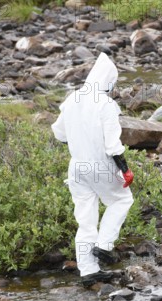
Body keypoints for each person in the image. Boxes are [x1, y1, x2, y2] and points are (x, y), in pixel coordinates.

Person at [51, 53, 134, 287]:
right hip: (101, 165)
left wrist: (80, 141)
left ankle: (88, 271)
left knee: (86, 220)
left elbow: (59, 134)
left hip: (76, 167)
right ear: (107, 81)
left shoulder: (72, 99)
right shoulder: (106, 104)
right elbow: (112, 145)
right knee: (121, 201)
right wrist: (125, 169)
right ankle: (104, 246)